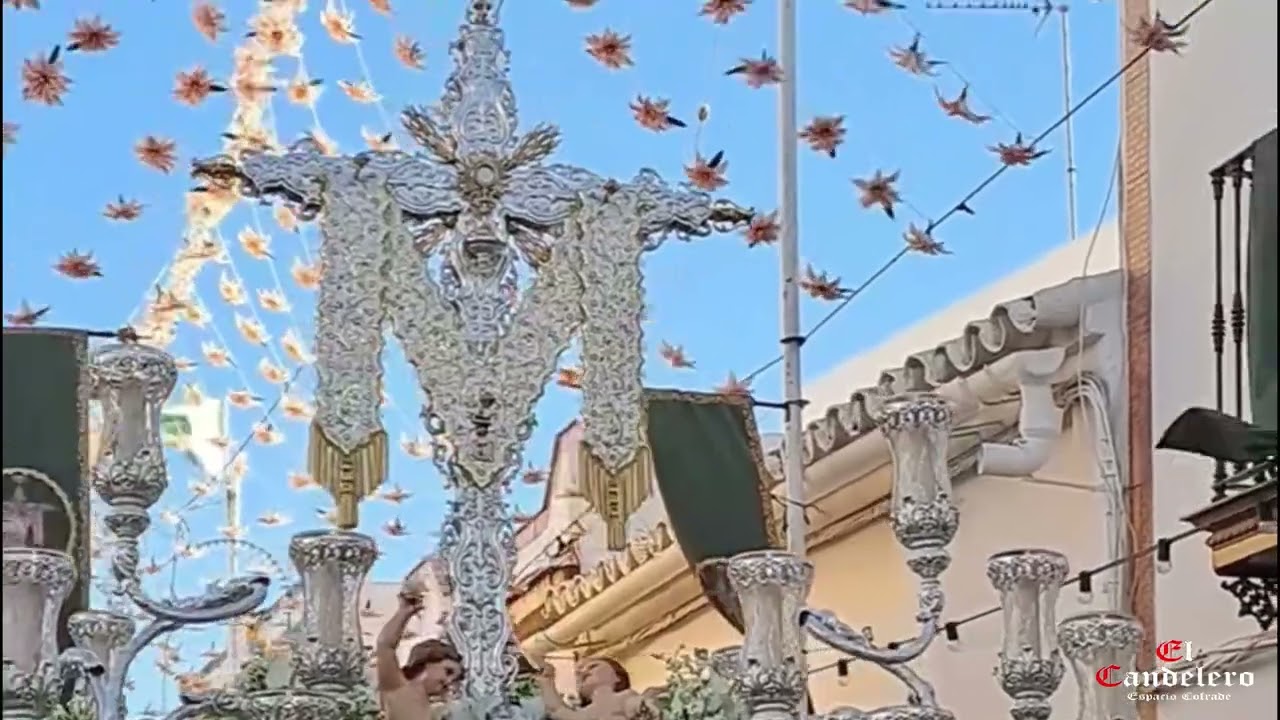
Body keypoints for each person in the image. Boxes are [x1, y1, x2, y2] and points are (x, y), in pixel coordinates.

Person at [376, 592, 465, 720]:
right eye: (448, 671)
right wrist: (404, 613)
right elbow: (385, 646)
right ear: (428, 661)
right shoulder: (398, 688)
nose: (449, 681)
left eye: (455, 680)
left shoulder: (437, 709)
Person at [538, 656, 657, 720]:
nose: (583, 672)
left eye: (593, 666)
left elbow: (644, 708)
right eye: (578, 674)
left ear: (617, 677)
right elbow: (556, 710)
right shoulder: (582, 713)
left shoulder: (624, 697)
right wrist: (546, 678)